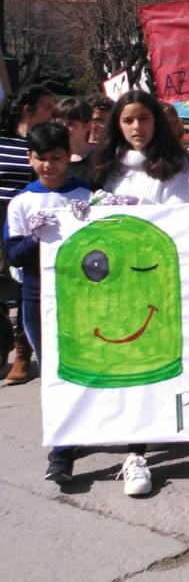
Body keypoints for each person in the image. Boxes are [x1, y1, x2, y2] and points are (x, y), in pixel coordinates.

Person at [90, 90, 189, 496]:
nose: (137, 128)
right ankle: (136, 453)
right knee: (130, 363)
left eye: (145, 119)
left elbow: (180, 219)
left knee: (164, 360)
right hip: (117, 284)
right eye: (129, 120)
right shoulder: (104, 168)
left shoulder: (178, 165)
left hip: (163, 279)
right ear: (117, 123)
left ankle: (175, 423)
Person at [2, 121, 92, 484]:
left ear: (68, 158)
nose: (49, 166)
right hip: (37, 296)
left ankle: (84, 428)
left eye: (56, 158)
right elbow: (13, 256)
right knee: (53, 370)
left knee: (83, 365)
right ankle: (60, 448)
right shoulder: (21, 203)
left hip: (81, 295)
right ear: (30, 158)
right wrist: (35, 237)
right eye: (41, 159)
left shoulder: (85, 195)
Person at [0, 84, 56, 382]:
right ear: (28, 109)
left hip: (26, 220)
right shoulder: (3, 140)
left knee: (24, 285)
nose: (52, 113)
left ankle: (23, 352)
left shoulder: (41, 146)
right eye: (48, 107)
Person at [51, 97, 96, 164]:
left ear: (88, 126)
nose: (63, 127)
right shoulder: (49, 155)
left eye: (70, 123)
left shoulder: (100, 157)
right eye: (59, 123)